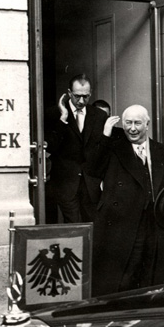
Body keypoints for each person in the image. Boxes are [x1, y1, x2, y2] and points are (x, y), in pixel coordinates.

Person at [88, 104, 164, 296]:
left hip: (155, 225)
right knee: (124, 277)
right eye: (127, 123)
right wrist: (105, 136)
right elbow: (93, 169)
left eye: (137, 123)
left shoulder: (163, 151)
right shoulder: (112, 149)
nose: (132, 128)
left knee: (151, 276)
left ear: (147, 124)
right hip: (122, 224)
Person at [45, 74, 110, 223]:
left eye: (86, 97)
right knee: (73, 225)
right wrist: (63, 118)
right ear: (69, 93)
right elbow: (51, 147)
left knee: (92, 225)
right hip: (66, 184)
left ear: (91, 93)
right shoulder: (54, 114)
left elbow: (101, 150)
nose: (81, 101)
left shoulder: (99, 116)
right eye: (77, 96)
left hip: (90, 184)